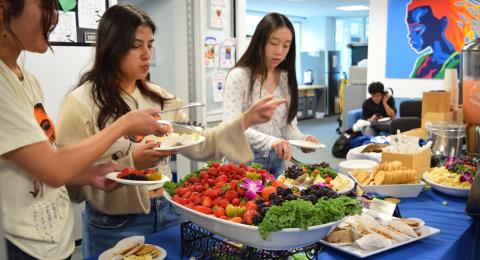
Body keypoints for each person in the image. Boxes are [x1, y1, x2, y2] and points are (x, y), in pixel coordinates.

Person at [55, 4, 285, 257]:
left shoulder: (160, 99)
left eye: (150, 44)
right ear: (111, 47)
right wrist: (132, 161)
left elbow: (200, 143)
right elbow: (67, 174)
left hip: (169, 210)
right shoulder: (81, 103)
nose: (147, 55)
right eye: (136, 45)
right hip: (115, 224)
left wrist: (246, 119)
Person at [0, 0, 171, 259]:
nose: (55, 16)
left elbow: (44, 168)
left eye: (150, 45)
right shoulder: (78, 100)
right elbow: (54, 168)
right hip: (26, 244)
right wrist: (125, 127)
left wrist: (88, 175)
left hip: (56, 238)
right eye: (45, 5)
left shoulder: (25, 78)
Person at [222, 12, 320, 177]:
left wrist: (302, 140)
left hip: (277, 162)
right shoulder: (239, 76)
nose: (279, 52)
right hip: (243, 162)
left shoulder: (285, 77)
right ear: (259, 42)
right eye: (274, 43)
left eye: (286, 45)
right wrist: (271, 141)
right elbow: (232, 126)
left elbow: (287, 126)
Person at [406, 0, 477, 78]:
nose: (410, 35)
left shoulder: (460, 63)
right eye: (409, 28)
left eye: (416, 27)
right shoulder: (422, 61)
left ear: (442, 23)